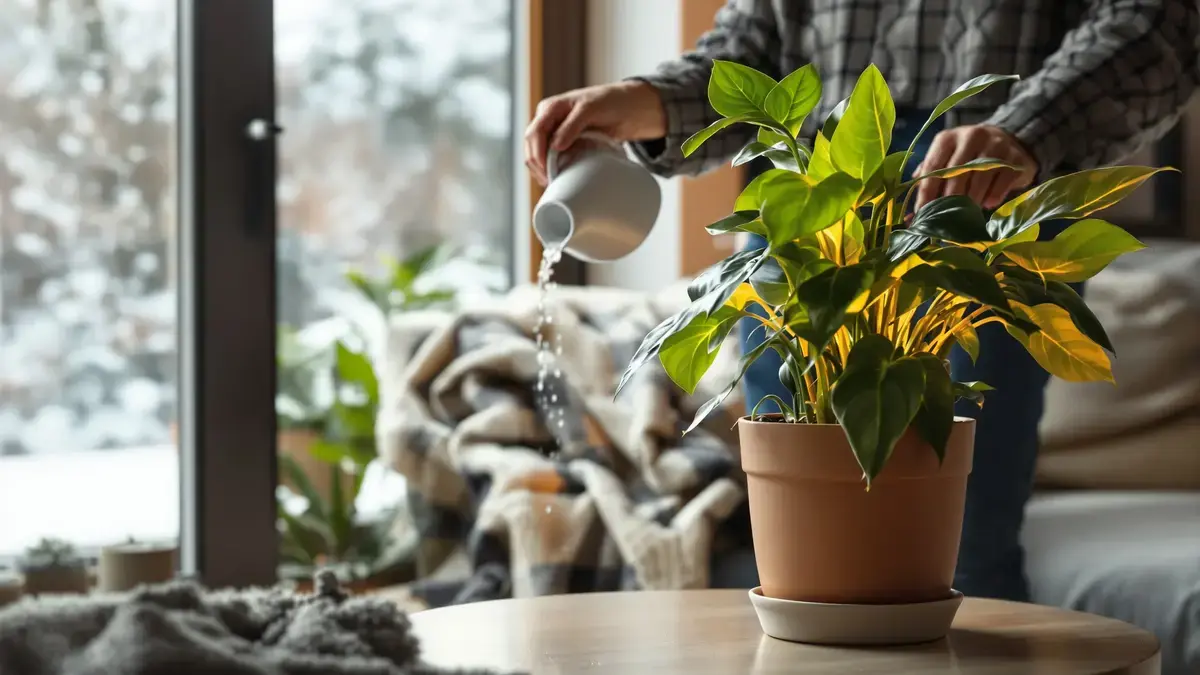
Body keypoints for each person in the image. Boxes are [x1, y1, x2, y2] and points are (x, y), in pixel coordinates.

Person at [523, 0, 1200, 602]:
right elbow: (751, 50)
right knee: (798, 559)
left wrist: (1029, 129)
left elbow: (1158, 21)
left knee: (954, 553)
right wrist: (644, 100)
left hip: (976, 195)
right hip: (810, 198)